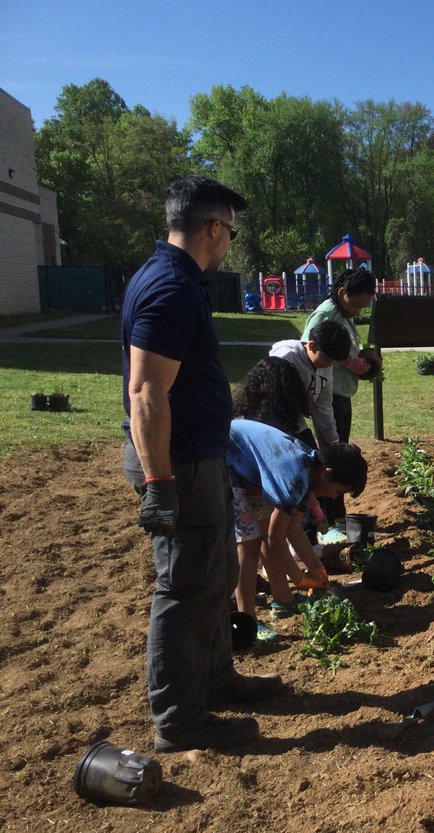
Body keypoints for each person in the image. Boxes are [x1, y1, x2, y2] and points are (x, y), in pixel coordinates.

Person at [121, 175, 280, 754]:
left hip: (196, 458)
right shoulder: (169, 287)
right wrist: (160, 483)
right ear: (213, 227)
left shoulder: (172, 278)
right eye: (230, 232)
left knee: (211, 576)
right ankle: (180, 720)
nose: (230, 242)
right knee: (185, 587)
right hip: (177, 464)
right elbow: (145, 394)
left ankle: (218, 679)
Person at [226, 419, 368, 620]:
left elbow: (293, 529)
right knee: (249, 546)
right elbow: (276, 538)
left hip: (253, 470)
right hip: (229, 459)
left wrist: (317, 570)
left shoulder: (310, 473)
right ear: (327, 475)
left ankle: (283, 601)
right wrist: (300, 578)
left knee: (265, 534)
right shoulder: (296, 477)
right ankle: (247, 621)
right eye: (339, 491)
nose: (335, 497)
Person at [302, 268, 376, 540]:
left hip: (341, 395)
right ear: (343, 292)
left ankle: (336, 517)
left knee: (339, 454)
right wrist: (348, 362)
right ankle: (326, 523)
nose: (359, 311)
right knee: (332, 457)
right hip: (327, 398)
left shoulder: (344, 314)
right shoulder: (325, 315)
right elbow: (310, 350)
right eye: (357, 304)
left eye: (363, 307)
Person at [268, 320, 351, 449]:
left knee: (314, 461)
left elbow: (323, 406)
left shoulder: (325, 365)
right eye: (327, 359)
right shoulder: (286, 357)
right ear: (311, 345)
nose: (330, 364)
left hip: (296, 422)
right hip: (270, 424)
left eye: (334, 361)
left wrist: (333, 440)